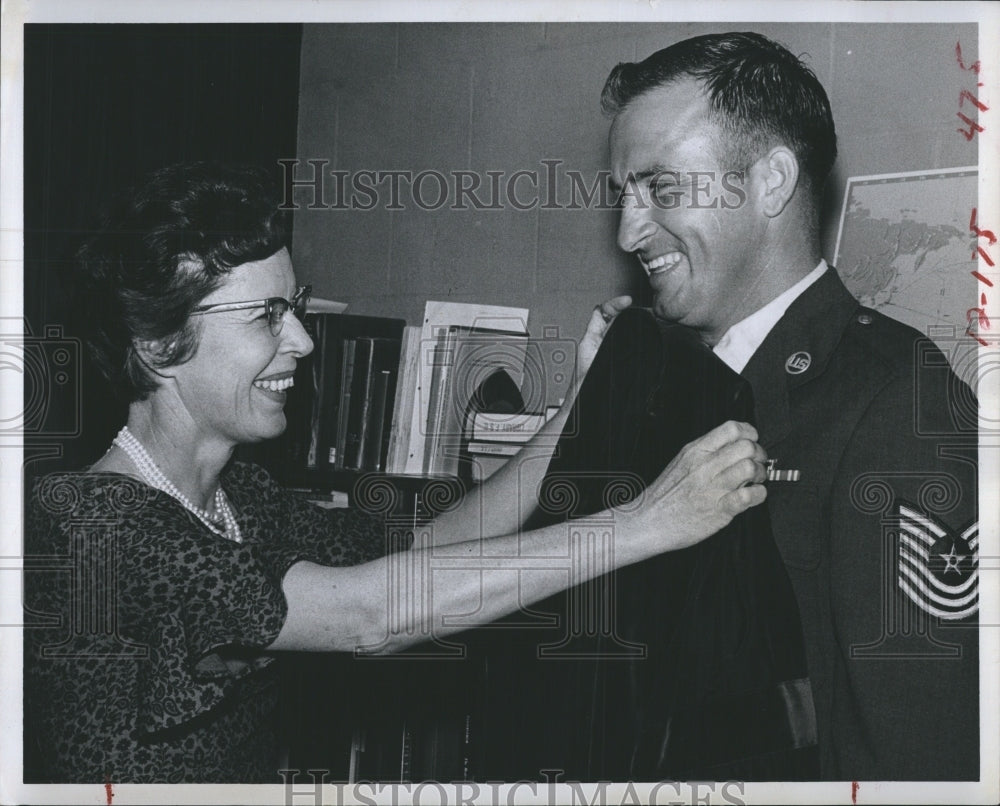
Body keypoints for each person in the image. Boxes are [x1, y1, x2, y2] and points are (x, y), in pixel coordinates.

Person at [23, 161, 769, 784]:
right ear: (158, 347)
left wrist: (575, 404)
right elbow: (368, 617)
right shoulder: (93, 525)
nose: (305, 341)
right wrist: (647, 523)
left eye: (299, 308)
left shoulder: (237, 496)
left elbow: (419, 551)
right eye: (266, 316)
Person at [597, 32, 979, 780]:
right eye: (623, 197)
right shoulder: (667, 393)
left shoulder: (897, 406)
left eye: (662, 190)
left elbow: (918, 751)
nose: (628, 232)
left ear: (772, 182)